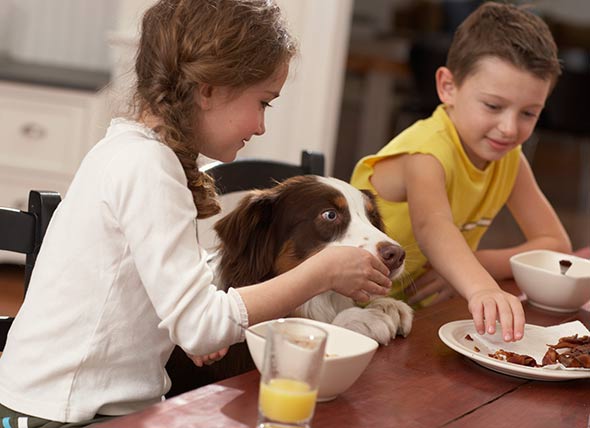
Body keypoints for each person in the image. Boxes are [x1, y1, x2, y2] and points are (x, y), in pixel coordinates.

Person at [0, 0, 393, 426]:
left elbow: (160, 292)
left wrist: (189, 322)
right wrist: (323, 272)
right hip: (62, 414)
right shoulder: (148, 167)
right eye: (264, 102)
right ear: (209, 90)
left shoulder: (131, 152)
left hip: (63, 404)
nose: (261, 126)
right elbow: (201, 327)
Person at [350, 2, 572, 343]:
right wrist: (480, 285)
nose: (509, 128)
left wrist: (470, 265)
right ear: (448, 87)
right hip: (357, 314)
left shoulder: (510, 159)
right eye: (493, 106)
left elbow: (555, 245)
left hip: (424, 319)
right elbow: (432, 227)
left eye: (529, 113)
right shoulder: (426, 152)